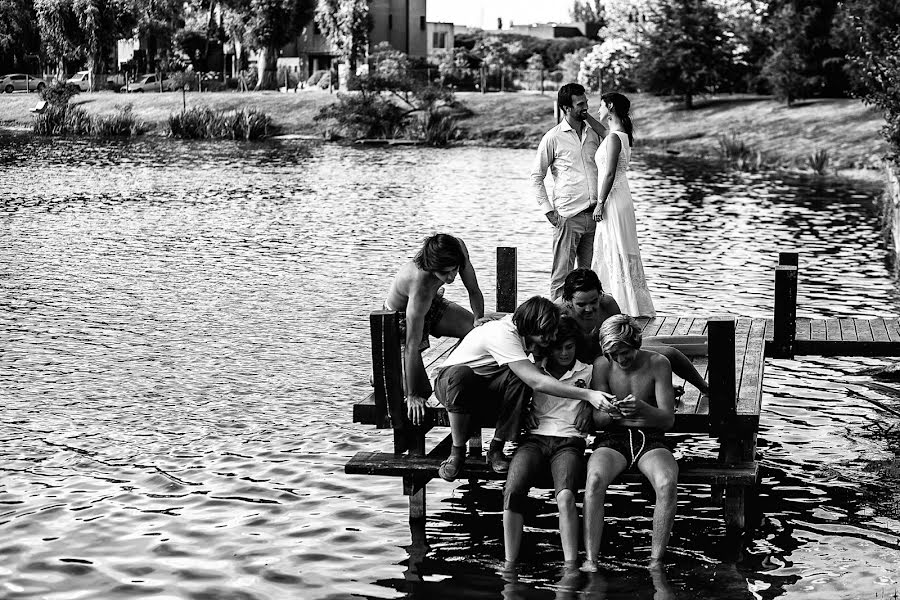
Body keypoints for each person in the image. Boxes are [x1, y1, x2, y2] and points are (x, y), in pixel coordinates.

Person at [432, 296, 617, 482]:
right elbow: (537, 381)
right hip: (450, 385)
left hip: (485, 384)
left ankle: (496, 447)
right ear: (533, 329)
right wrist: (588, 395)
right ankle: (457, 451)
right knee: (464, 375)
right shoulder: (504, 335)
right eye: (548, 335)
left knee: (520, 378)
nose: (552, 338)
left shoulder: (521, 324)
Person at [583, 314, 678, 570]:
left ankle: (655, 561)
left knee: (667, 483)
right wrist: (609, 412)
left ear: (636, 344)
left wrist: (644, 409)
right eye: (614, 355)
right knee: (593, 480)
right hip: (613, 438)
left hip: (651, 438)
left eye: (625, 352)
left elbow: (667, 420)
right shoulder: (602, 365)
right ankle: (591, 559)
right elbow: (597, 420)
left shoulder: (659, 363)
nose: (621, 359)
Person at [502, 316, 592, 568]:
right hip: (534, 439)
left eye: (570, 347)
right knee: (512, 491)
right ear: (548, 347)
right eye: (559, 347)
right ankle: (510, 563)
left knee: (564, 497)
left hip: (569, 441)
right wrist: (524, 410)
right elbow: (511, 396)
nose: (564, 353)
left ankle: (570, 564)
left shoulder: (588, 370)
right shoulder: (533, 369)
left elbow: (601, 398)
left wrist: (587, 407)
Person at [384, 234, 485, 425]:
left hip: (431, 303)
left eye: (454, 269)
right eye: (445, 273)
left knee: (475, 333)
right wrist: (413, 396)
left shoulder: (458, 248)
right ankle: (385, 370)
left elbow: (473, 289)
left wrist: (478, 318)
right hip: (399, 320)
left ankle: (452, 372)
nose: (452, 277)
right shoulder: (419, 282)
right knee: (423, 392)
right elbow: (412, 345)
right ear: (432, 268)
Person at [559, 268, 709, 396]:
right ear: (567, 301)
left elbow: (623, 338)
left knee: (669, 353)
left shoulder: (608, 304)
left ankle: (706, 389)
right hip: (578, 368)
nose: (589, 309)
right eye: (581, 304)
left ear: (600, 294)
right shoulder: (558, 314)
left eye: (594, 302)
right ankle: (654, 390)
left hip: (610, 356)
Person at [531, 83, 607, 301]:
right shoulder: (552, 138)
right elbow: (536, 177)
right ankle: (556, 325)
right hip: (567, 216)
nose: (586, 107)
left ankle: (586, 325)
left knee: (590, 278)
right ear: (565, 108)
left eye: (586, 102)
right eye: (580, 104)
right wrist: (548, 211)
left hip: (594, 216)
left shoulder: (594, 135)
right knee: (561, 276)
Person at [590, 92, 655, 317]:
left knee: (614, 246)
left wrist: (600, 204)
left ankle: (622, 304)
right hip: (620, 197)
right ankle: (623, 301)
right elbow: (604, 132)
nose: (597, 110)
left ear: (609, 106)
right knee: (615, 246)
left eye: (600, 106)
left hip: (613, 200)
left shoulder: (615, 138)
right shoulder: (620, 135)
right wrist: (586, 117)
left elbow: (608, 174)